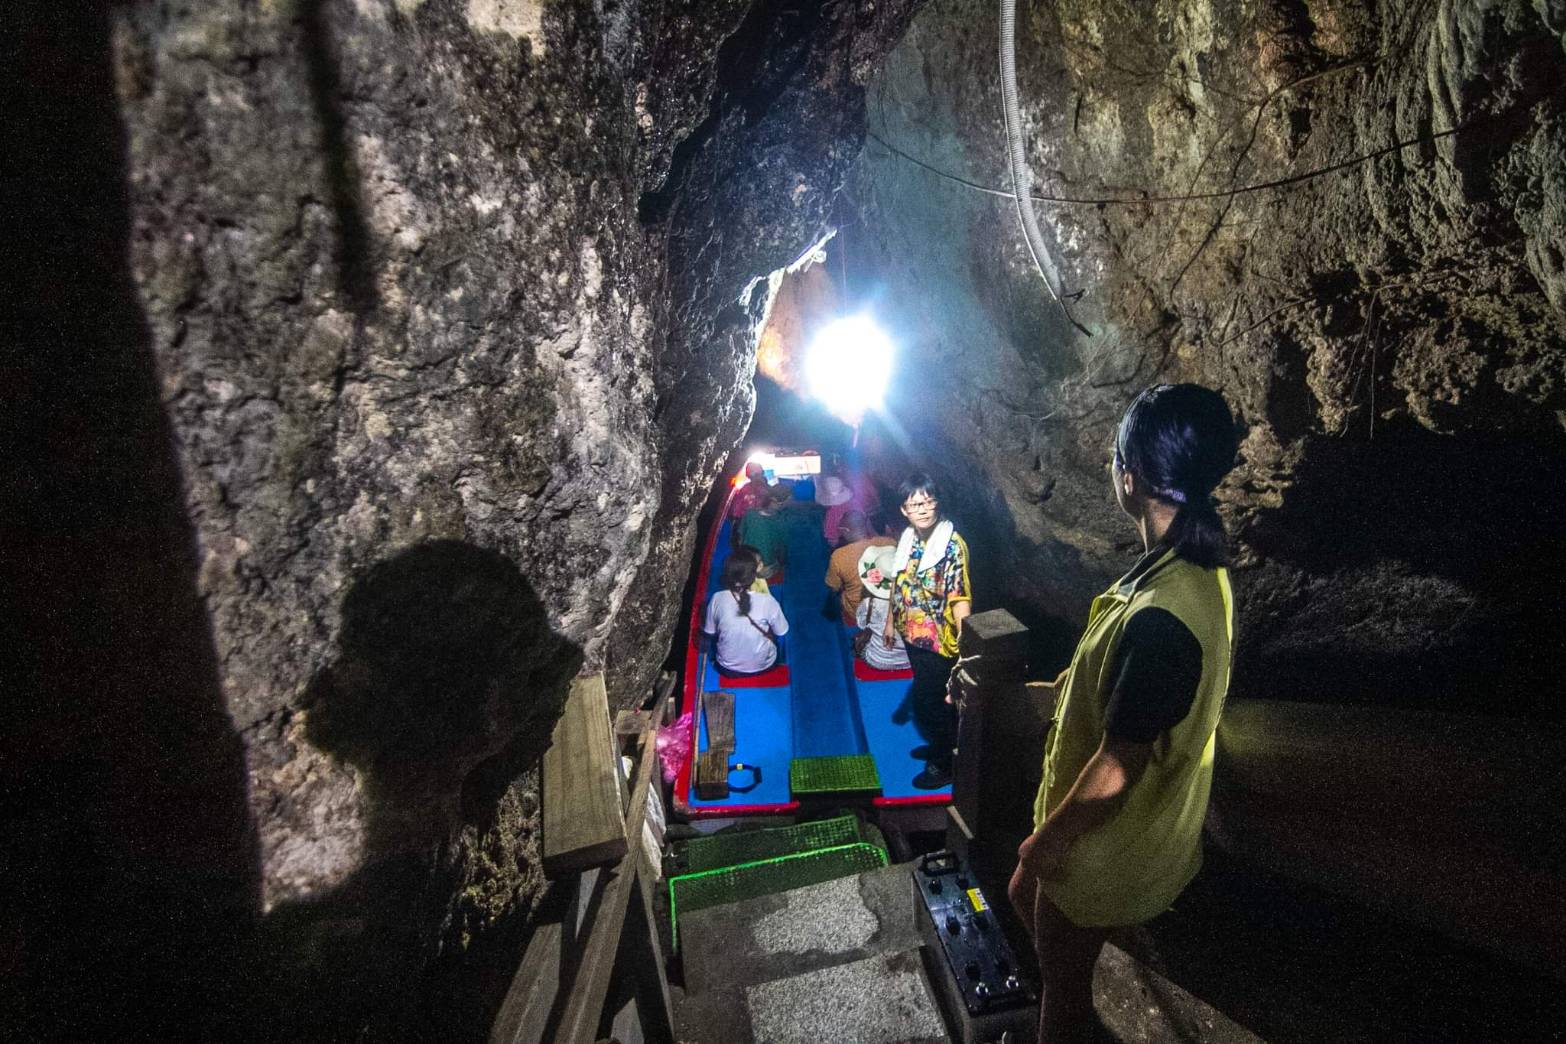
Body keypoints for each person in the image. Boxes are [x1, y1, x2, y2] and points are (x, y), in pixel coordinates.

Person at [1007, 384, 1239, 1043]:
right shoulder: (1200, 574)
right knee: (1024, 895)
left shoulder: (1160, 621)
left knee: (1064, 991)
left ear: (1130, 479)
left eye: (1114, 457)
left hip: (1103, 852)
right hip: (1156, 838)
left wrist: (1045, 840)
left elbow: (1116, 767)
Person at [882, 474, 971, 789]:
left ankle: (944, 762)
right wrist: (891, 622)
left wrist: (967, 643)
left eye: (928, 501)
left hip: (938, 639)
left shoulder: (951, 544)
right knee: (925, 693)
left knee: (935, 703)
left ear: (937, 503)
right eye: (914, 504)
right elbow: (898, 580)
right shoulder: (908, 538)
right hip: (912, 633)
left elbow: (959, 594)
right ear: (904, 510)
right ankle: (938, 746)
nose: (922, 509)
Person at [702, 554, 790, 676]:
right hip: (765, 666)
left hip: (727, 669)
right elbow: (781, 632)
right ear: (754, 577)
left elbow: (710, 631)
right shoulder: (768, 601)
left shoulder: (717, 598)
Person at [823, 510, 896, 627]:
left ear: (846, 531)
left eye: (841, 529)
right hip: (890, 606)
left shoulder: (839, 556)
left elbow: (833, 587)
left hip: (858, 612)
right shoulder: (890, 542)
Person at [854, 545, 909, 671]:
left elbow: (862, 624)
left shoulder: (869, 603)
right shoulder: (913, 601)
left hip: (878, 659)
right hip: (909, 660)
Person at [736, 491, 789, 577]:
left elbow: (740, 537)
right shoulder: (751, 515)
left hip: (750, 565)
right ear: (772, 501)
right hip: (761, 565)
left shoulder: (750, 514)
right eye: (779, 503)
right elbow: (782, 549)